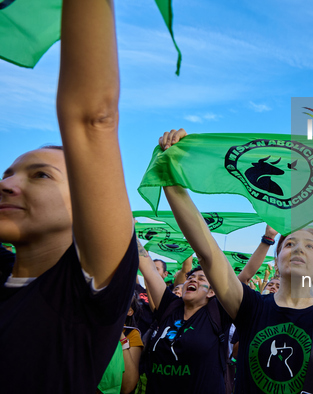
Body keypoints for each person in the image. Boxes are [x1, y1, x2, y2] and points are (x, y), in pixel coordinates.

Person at [156, 128, 313, 393]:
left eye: (309, 246)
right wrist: (170, 177)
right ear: (277, 261)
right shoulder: (250, 306)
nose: (298, 248)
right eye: (289, 244)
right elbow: (207, 251)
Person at [0, 0, 138, 392]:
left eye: (40, 175)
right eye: (7, 173)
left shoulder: (82, 296)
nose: (8, 184)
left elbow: (92, 118)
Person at [138, 240, 232, 394]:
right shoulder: (170, 306)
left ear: (212, 292)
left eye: (201, 279)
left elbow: (244, 276)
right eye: (190, 277)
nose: (193, 279)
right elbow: (148, 269)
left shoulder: (219, 313)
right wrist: (129, 226)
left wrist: (267, 239)